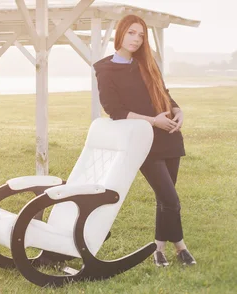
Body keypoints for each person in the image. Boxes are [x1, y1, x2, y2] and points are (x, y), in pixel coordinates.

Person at [93, 14, 196, 267]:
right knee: (171, 199)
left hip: (170, 137)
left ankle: (160, 250)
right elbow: (114, 110)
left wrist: (178, 111)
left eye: (141, 35)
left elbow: (165, 94)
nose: (136, 39)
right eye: (131, 33)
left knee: (165, 198)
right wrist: (153, 120)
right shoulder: (104, 69)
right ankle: (180, 246)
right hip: (143, 142)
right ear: (120, 33)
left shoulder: (147, 63)